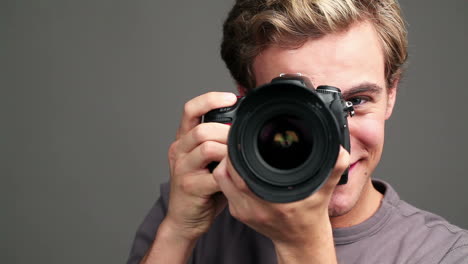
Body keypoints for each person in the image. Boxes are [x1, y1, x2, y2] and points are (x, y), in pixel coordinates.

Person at [127, 0, 468, 263]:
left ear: (390, 95)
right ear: (247, 102)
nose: (338, 144)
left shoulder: (446, 254)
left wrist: (304, 247)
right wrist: (177, 232)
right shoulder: (193, 206)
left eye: (357, 101)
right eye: (299, 108)